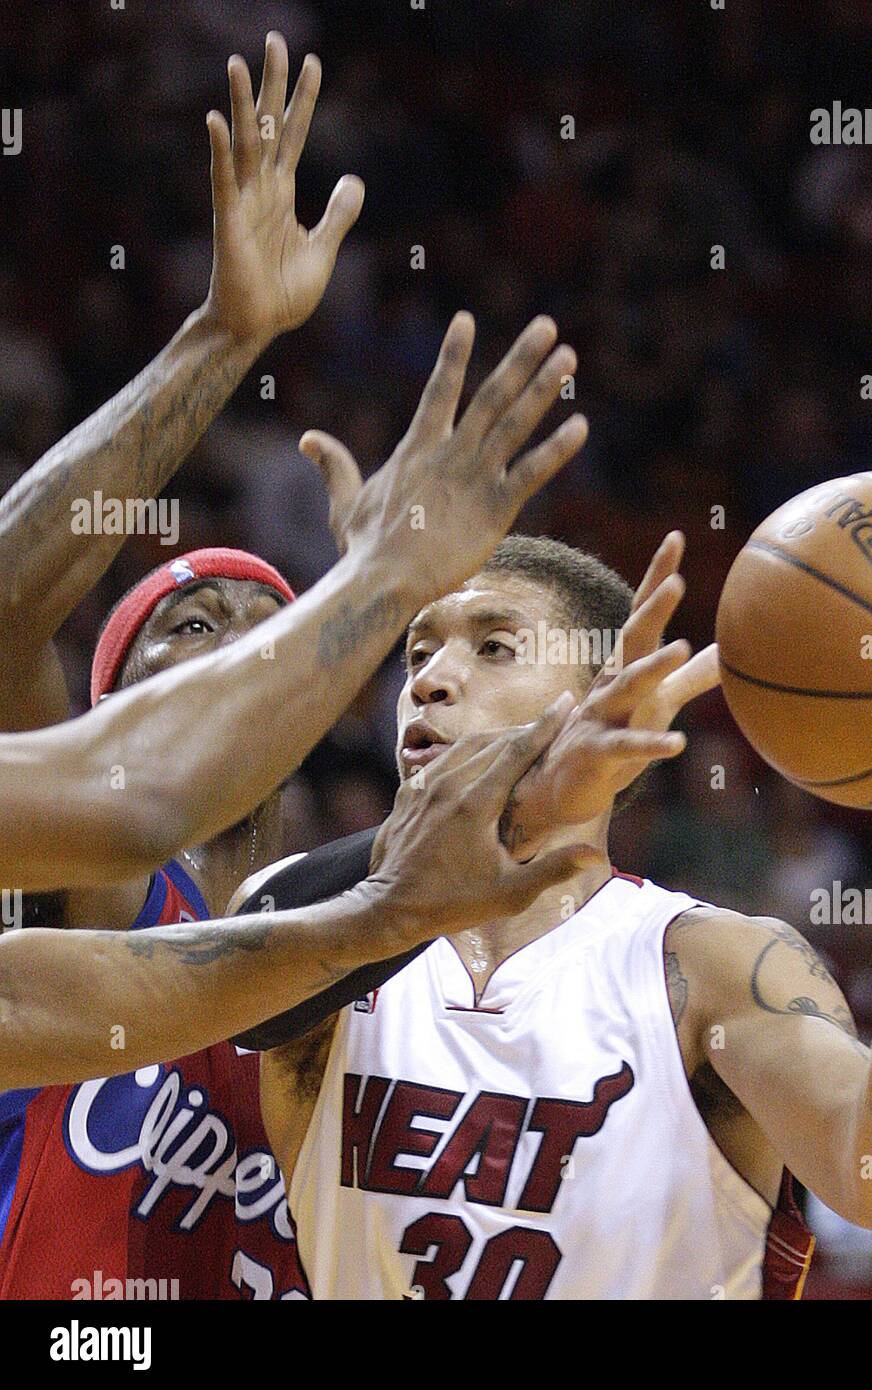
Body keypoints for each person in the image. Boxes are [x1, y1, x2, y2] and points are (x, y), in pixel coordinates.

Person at [0, 31, 586, 1298]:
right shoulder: (99, 895)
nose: (235, 647)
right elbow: (12, 613)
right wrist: (226, 333)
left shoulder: (397, 934)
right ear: (98, 709)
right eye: (190, 630)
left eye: (260, 632)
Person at [235, 532, 872, 1300]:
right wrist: (522, 811)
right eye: (419, 650)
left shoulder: (712, 968)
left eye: (494, 647)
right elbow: (247, 959)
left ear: (610, 696)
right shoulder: (322, 932)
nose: (427, 678)